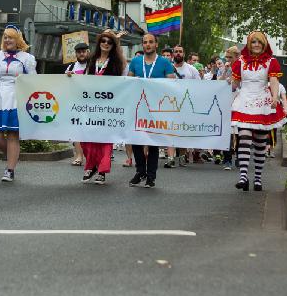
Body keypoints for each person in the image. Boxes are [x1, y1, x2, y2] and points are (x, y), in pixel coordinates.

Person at [0, 25, 37, 182]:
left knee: (12, 135)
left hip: (17, 97)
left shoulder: (27, 59)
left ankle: (10, 169)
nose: (7, 39)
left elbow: (34, 81)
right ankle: (13, 154)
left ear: (17, 39)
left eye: (10, 37)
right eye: (5, 36)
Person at [231, 31, 287, 191]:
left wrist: (275, 97)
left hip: (262, 102)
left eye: (259, 42)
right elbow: (235, 84)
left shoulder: (271, 61)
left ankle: (257, 178)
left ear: (263, 44)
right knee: (244, 137)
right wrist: (222, 84)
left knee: (261, 142)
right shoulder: (240, 62)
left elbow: (274, 80)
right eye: (253, 42)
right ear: (249, 44)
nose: (256, 45)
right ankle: (243, 176)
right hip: (244, 101)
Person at [128, 33, 176, 188]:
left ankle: (151, 176)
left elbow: (172, 84)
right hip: (138, 107)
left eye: (150, 42)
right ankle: (140, 171)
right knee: (136, 141)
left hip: (156, 109)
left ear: (156, 44)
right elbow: (128, 83)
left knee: (154, 142)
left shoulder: (164, 63)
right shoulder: (135, 62)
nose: (147, 45)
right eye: (145, 42)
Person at [80, 30, 127, 185]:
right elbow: (84, 80)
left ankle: (102, 170)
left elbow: (123, 83)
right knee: (86, 139)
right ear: (99, 43)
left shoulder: (118, 63)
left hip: (108, 106)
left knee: (105, 139)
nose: (106, 44)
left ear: (113, 46)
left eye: (109, 42)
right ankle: (92, 165)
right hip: (91, 106)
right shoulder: (91, 60)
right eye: (103, 41)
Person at [164, 45, 200, 168]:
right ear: (173, 54)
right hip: (170, 104)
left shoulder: (191, 70)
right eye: (176, 52)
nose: (178, 53)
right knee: (170, 130)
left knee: (183, 131)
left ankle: (182, 156)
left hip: (186, 105)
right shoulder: (167, 68)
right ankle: (170, 158)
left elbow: (200, 86)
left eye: (180, 51)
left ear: (184, 54)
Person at [65, 42, 90, 166]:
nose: (81, 53)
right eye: (79, 52)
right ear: (75, 53)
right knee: (76, 130)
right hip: (75, 104)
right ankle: (79, 156)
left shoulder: (93, 66)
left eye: (83, 51)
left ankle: (90, 157)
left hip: (90, 105)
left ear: (87, 52)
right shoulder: (70, 68)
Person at [266, 81, 287, 158]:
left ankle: (270, 150)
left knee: (272, 130)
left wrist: (285, 109)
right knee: (264, 130)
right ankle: (267, 149)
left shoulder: (280, 86)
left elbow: (284, 99)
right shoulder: (264, 83)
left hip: (274, 109)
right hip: (263, 107)